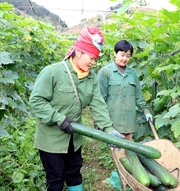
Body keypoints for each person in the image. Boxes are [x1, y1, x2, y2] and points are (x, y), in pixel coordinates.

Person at [29, 27, 123, 191]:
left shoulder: (91, 78)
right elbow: (36, 100)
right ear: (78, 52)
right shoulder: (53, 72)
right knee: (56, 177)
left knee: (74, 173)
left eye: (95, 58)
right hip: (51, 140)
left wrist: (109, 129)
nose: (93, 62)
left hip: (74, 138)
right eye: (91, 57)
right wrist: (59, 118)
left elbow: (98, 104)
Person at [97, 40, 153, 141]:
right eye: (122, 55)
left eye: (128, 56)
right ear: (115, 53)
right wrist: (99, 123)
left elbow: (138, 97)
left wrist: (146, 111)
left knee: (127, 153)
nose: (125, 58)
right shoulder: (106, 72)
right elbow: (99, 99)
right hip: (113, 123)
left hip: (129, 123)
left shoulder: (132, 74)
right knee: (117, 153)